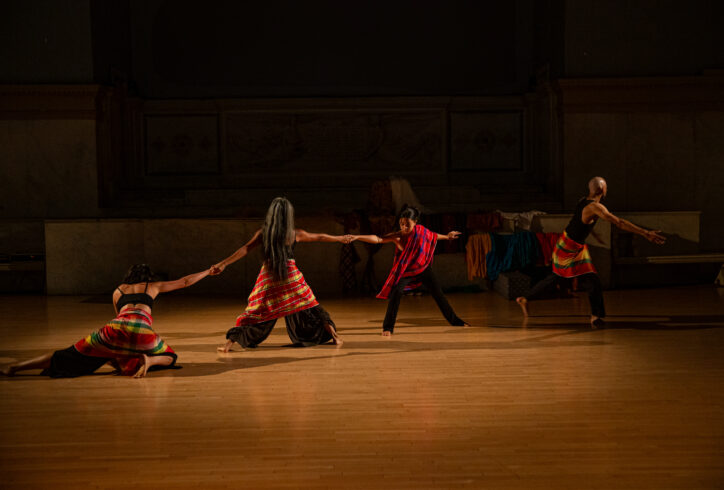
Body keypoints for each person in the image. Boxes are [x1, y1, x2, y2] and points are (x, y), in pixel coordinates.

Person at [1, 264, 211, 378]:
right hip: (143, 332)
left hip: (115, 329)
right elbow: (185, 282)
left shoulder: (118, 291)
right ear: (149, 277)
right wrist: (208, 271)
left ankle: (15, 368)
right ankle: (150, 360)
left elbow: (118, 327)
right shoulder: (153, 286)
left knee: (67, 355)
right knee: (169, 356)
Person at [516, 177, 666, 326]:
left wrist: (593, 234)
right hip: (569, 248)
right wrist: (646, 233)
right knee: (586, 279)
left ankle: (525, 298)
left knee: (561, 277)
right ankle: (595, 316)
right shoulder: (596, 207)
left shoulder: (583, 200)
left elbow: (579, 221)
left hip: (570, 243)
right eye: (606, 187)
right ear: (602, 190)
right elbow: (619, 223)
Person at [212, 197, 346, 352]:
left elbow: (245, 249)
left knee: (256, 310)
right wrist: (340, 238)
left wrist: (223, 263)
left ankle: (228, 345)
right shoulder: (294, 234)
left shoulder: (263, 233)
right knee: (311, 305)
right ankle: (335, 338)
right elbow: (320, 236)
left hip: (269, 276)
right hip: (290, 275)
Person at [350, 205, 468, 336]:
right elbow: (378, 239)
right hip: (406, 269)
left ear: (415, 222)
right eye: (401, 224)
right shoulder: (397, 236)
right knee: (396, 293)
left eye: (407, 225)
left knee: (438, 293)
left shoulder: (421, 231)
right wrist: (357, 237)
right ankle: (388, 327)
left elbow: (433, 236)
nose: (404, 228)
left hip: (422, 267)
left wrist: (447, 237)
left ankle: (456, 321)